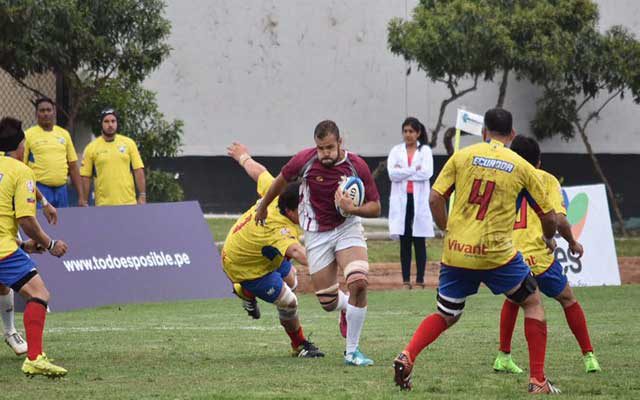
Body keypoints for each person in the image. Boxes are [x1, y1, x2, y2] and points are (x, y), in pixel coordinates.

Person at [392, 108, 561, 394]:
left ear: (483, 132)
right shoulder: (521, 165)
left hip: (457, 251)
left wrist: (448, 229)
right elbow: (550, 216)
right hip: (496, 253)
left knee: (446, 313)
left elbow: (434, 199)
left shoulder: (461, 156)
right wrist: (548, 237)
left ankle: (407, 355)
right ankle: (537, 381)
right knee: (532, 303)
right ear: (512, 135)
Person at [255, 120, 381, 366]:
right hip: (317, 234)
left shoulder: (357, 166)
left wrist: (352, 208)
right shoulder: (304, 160)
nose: (325, 154)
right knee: (328, 302)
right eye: (321, 148)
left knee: (358, 281)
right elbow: (280, 180)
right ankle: (345, 308)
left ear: (340, 142)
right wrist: (263, 206)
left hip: (347, 228)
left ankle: (352, 351)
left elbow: (376, 208)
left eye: (330, 148)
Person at [493, 135, 601, 374]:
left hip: (509, 256)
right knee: (568, 299)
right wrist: (572, 242)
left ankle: (503, 356)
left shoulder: (504, 180)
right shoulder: (546, 180)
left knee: (513, 298)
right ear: (538, 162)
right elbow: (560, 219)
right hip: (538, 255)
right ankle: (589, 356)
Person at [222, 142, 324, 358]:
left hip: (252, 248)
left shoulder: (277, 192)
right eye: (303, 208)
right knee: (289, 301)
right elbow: (298, 253)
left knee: (292, 279)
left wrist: (243, 157)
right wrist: (330, 262)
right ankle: (300, 345)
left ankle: (245, 292)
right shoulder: (280, 229)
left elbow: (259, 173)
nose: (308, 211)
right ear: (289, 210)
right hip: (242, 265)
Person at [0, 117, 69, 377]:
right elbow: (26, 220)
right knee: (39, 294)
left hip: (6, 246)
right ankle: (35, 358)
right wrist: (49, 243)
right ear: (21, 146)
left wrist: (24, 246)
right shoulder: (21, 171)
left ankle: (13, 335)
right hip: (3, 251)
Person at [387, 117, 434, 289]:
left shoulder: (425, 151)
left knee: (419, 238)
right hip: (402, 201)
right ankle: (406, 280)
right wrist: (414, 170)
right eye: (405, 131)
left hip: (419, 200)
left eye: (411, 131)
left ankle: (420, 279)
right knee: (405, 238)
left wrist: (404, 172)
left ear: (418, 133)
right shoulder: (396, 151)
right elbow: (392, 174)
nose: (408, 134)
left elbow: (427, 173)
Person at [23, 97, 84, 207]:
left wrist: (81, 196)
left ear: (54, 112)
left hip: (62, 190)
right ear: (36, 114)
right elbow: (21, 167)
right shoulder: (28, 135)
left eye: (48, 110)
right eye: (42, 111)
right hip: (39, 190)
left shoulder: (64, 134)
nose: (46, 113)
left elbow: (73, 167)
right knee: (41, 223)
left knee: (63, 223)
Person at [79, 108, 146, 206]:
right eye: (106, 121)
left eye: (113, 121)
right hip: (103, 205)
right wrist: (84, 200)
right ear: (101, 124)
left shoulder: (129, 143)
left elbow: (138, 170)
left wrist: (142, 195)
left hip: (129, 203)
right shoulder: (91, 148)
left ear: (117, 123)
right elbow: (86, 177)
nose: (110, 124)